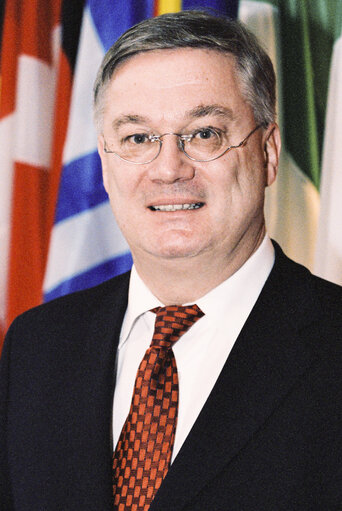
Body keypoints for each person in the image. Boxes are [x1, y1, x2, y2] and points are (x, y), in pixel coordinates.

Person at [1, 10, 342, 511]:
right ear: (105, 161)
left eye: (204, 133)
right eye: (138, 138)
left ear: (268, 153)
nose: (168, 169)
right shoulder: (37, 347)